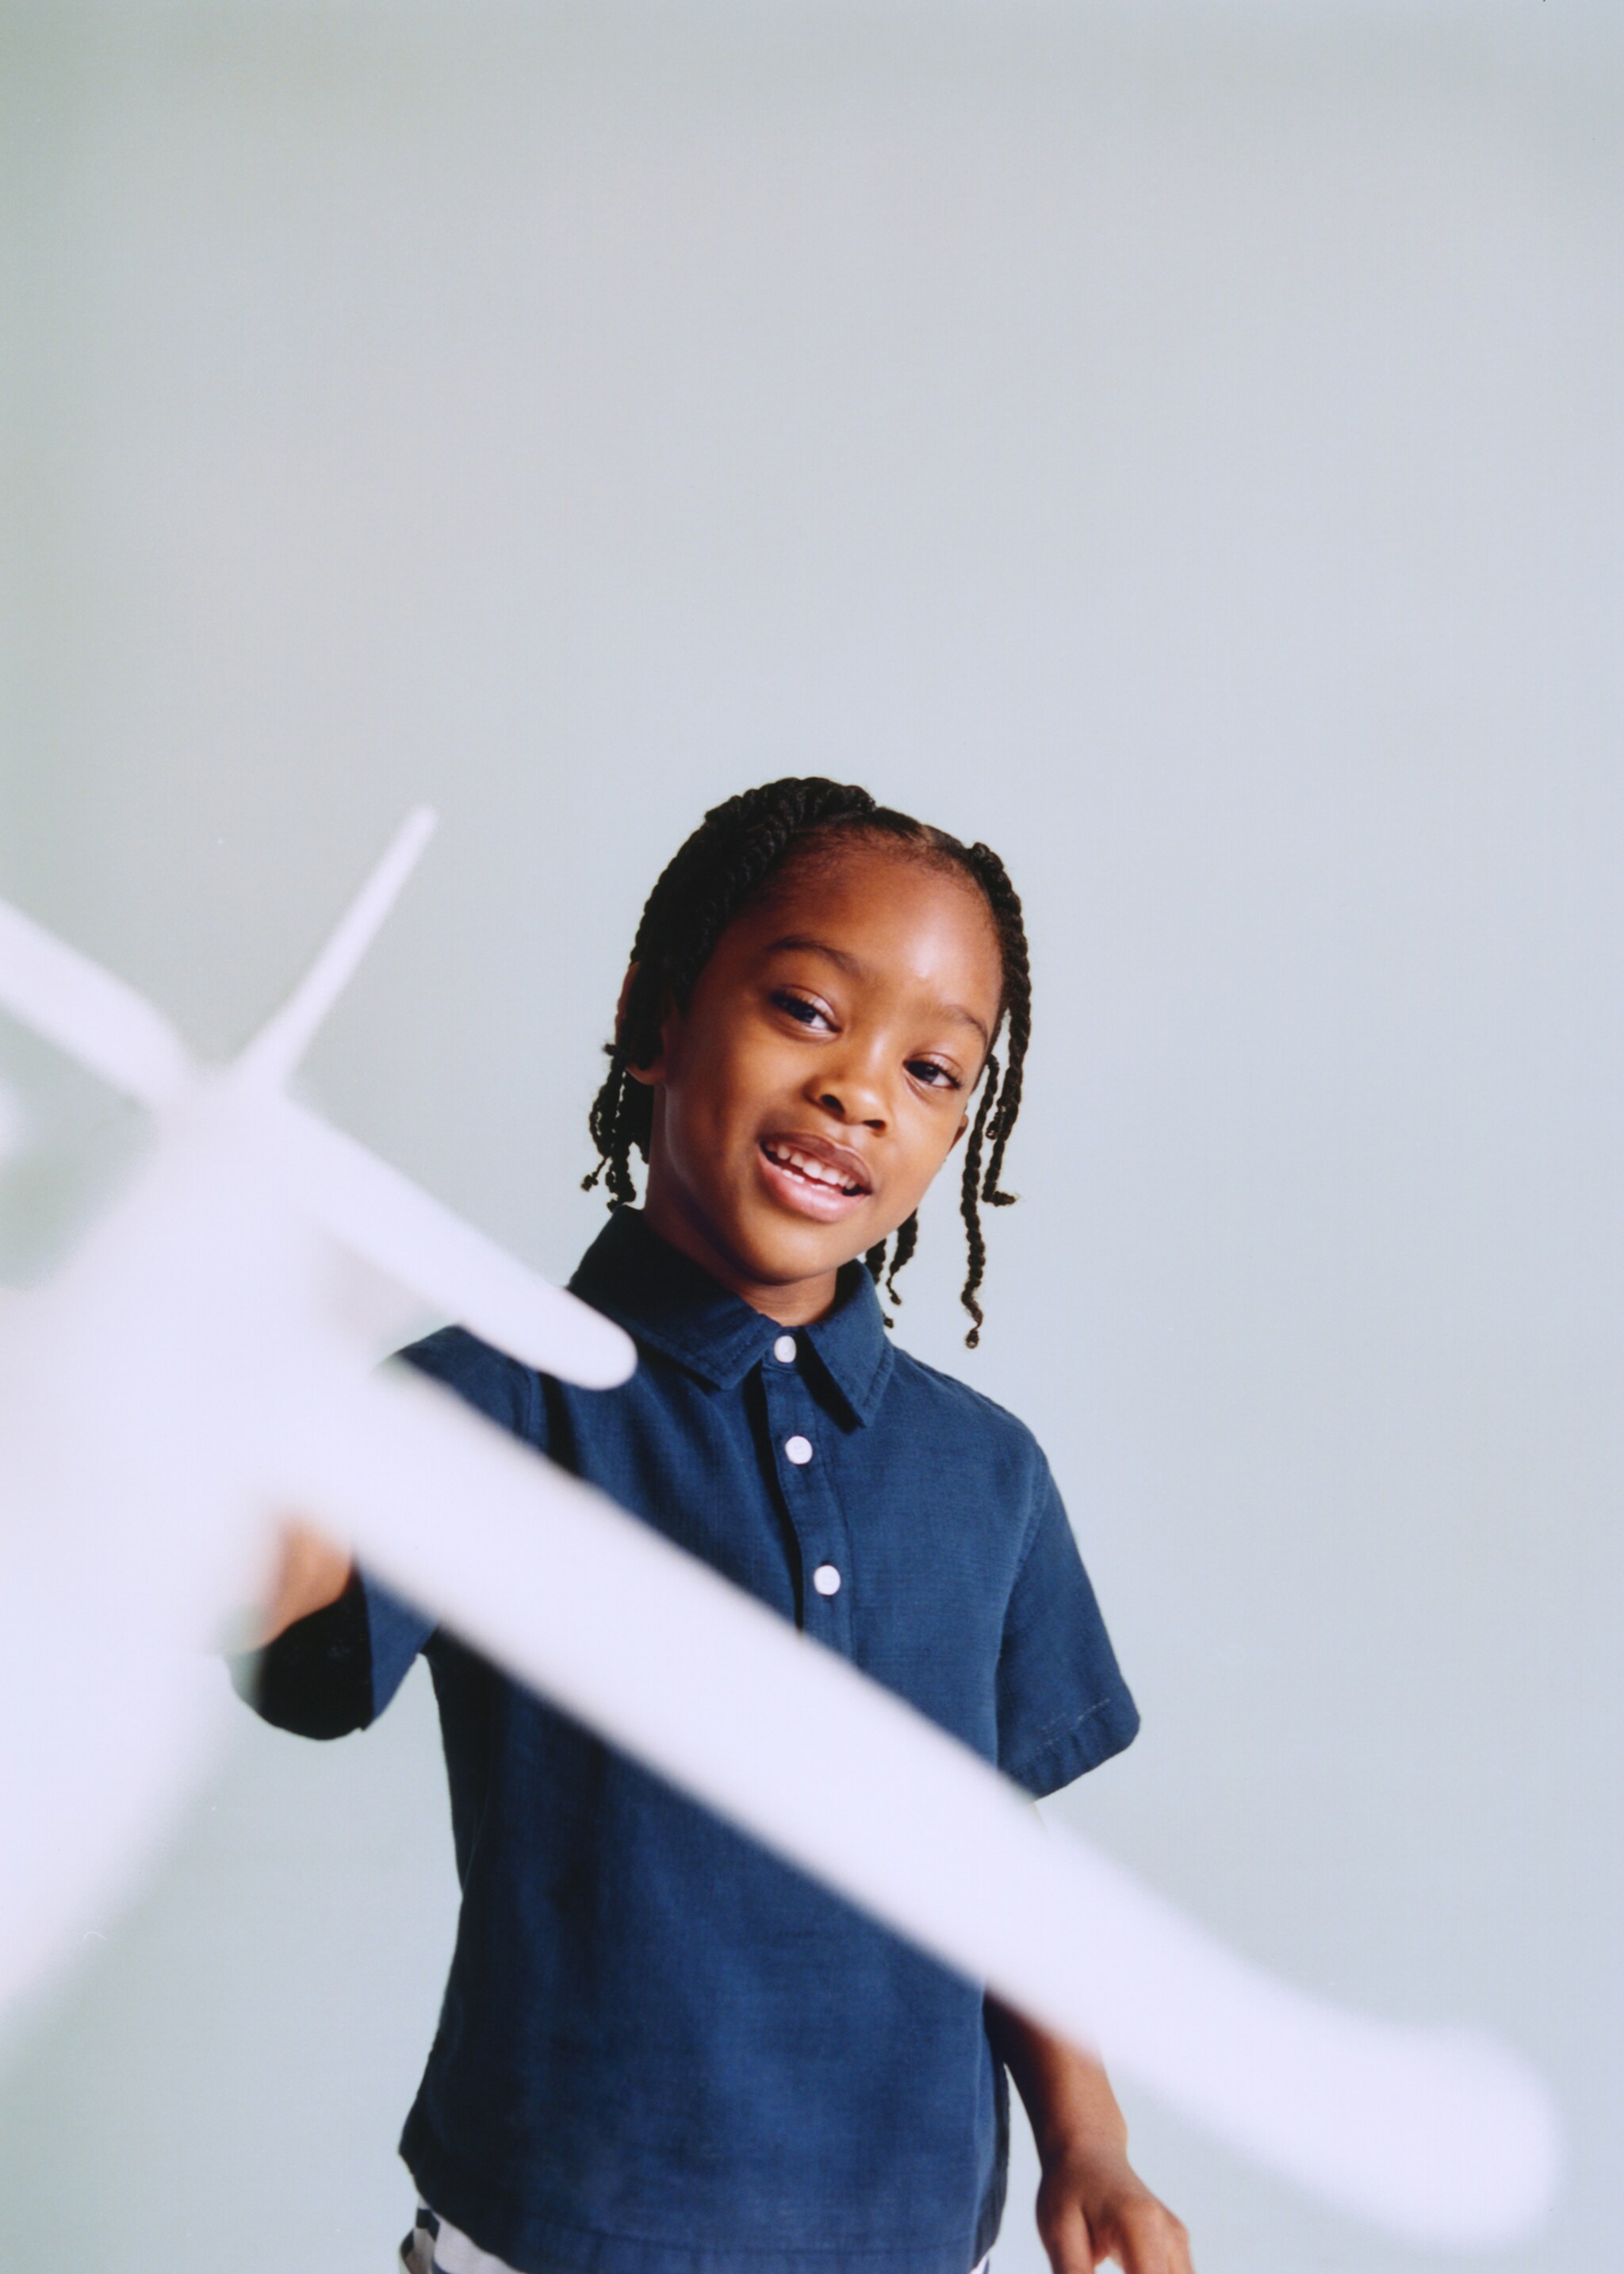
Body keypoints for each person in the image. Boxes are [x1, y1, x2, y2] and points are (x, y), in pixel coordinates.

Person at [245, 778, 1194, 2274]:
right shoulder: (483, 1405)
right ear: (656, 1015)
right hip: (552, 2236)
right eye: (810, 1010)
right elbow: (276, 1587)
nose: (863, 1089)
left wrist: (1090, 2141)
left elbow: (1000, 1862)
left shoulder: (986, 1474)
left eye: (938, 1070)